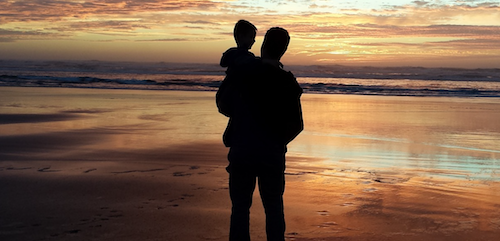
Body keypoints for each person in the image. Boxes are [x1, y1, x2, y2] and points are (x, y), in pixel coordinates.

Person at [216, 27, 303, 241]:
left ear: (263, 46)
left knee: (240, 208)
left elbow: (223, 104)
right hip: (271, 154)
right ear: (283, 50)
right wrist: (277, 141)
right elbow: (297, 125)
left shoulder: (244, 74)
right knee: (273, 207)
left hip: (243, 150)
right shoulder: (287, 82)